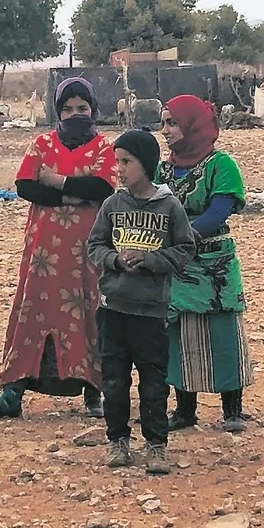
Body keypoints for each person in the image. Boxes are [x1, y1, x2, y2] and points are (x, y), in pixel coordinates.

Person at [0, 77, 117, 421]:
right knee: (32, 312)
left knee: (89, 314)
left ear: (93, 110)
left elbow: (103, 187)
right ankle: (12, 393)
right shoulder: (41, 142)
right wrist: (72, 195)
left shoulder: (103, 147)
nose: (74, 114)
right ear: (57, 110)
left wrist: (56, 182)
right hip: (42, 254)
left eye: (82, 108)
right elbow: (25, 186)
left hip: (87, 250)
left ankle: (92, 391)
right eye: (67, 109)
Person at [87, 130, 197, 473]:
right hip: (113, 309)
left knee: (153, 383)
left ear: (146, 164)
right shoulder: (112, 205)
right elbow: (94, 247)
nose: (119, 169)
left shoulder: (169, 206)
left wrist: (149, 261)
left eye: (126, 162)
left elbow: (185, 249)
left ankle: (156, 447)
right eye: (117, 161)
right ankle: (117, 441)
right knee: (115, 382)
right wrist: (116, 261)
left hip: (150, 312)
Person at [156, 95, 253, 433]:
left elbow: (220, 209)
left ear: (191, 124)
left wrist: (183, 235)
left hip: (214, 264)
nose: (165, 130)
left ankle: (233, 411)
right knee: (180, 334)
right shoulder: (164, 168)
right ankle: (184, 410)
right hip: (177, 265)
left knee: (223, 332)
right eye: (164, 122)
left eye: (172, 122)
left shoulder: (220, 165)